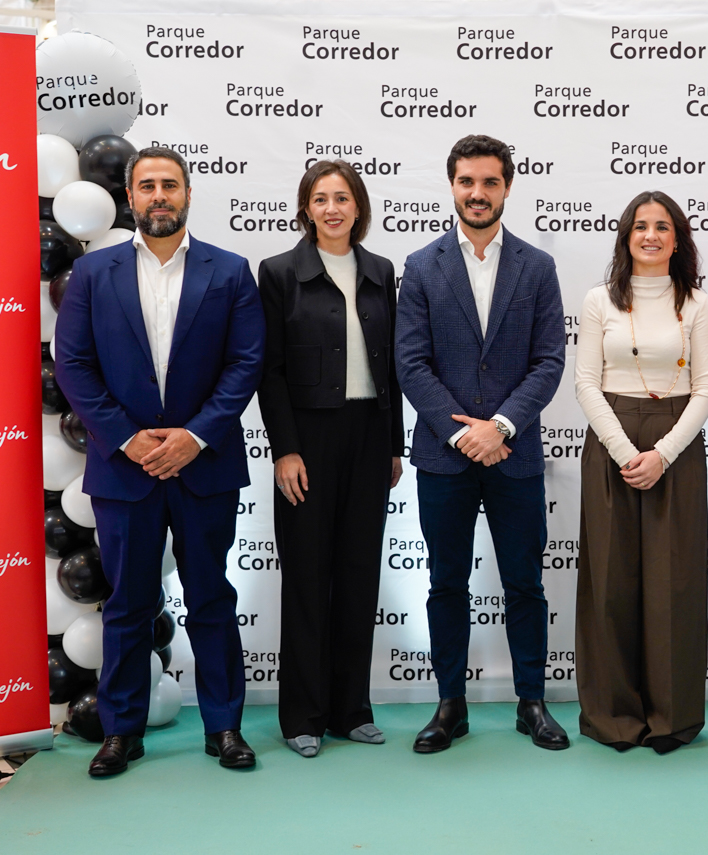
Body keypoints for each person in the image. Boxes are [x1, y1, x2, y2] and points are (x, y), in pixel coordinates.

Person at [54, 146, 265, 776]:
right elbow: (74, 365)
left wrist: (193, 438)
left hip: (205, 467)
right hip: (126, 469)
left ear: (188, 193)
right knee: (127, 603)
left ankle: (224, 725)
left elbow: (245, 362)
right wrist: (129, 439)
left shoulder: (230, 271)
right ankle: (121, 730)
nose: (159, 196)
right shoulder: (95, 272)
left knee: (211, 597)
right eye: (147, 186)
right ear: (131, 196)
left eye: (170, 185)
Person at [395, 135, 568, 752]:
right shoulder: (421, 266)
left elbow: (549, 361)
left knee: (525, 584)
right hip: (445, 458)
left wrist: (501, 427)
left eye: (490, 181)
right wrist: (465, 432)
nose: (477, 192)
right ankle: (451, 705)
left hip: (514, 454)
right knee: (446, 583)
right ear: (452, 186)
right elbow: (411, 363)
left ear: (507, 188)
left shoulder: (537, 266)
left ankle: (532, 702)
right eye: (467, 181)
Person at [257, 160, 404, 758]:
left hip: (370, 435)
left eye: (343, 198)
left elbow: (391, 366)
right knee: (307, 576)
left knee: (358, 574)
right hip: (309, 440)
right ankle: (303, 715)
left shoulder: (380, 271)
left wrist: (393, 444)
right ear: (306, 208)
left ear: (358, 207)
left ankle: (351, 710)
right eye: (321, 199)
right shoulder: (279, 273)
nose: (333, 208)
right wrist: (285, 449)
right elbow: (270, 371)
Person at [574, 191, 708, 754]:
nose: (651, 236)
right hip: (611, 439)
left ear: (677, 239)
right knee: (610, 582)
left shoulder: (697, 304)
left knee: (673, 585)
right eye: (640, 226)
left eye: (662, 227)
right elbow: (586, 383)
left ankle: (671, 718)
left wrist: (663, 453)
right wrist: (621, 450)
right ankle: (613, 716)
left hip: (674, 446)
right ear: (626, 237)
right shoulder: (599, 301)